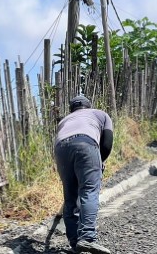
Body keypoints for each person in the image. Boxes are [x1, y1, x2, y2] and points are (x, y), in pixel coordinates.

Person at [54, 96, 113, 254]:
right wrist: (99, 161)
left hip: (60, 149)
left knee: (70, 197)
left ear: (71, 109)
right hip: (85, 144)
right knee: (89, 191)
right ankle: (87, 238)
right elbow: (107, 143)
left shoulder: (64, 121)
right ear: (88, 106)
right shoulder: (100, 114)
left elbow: (62, 140)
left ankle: (75, 243)